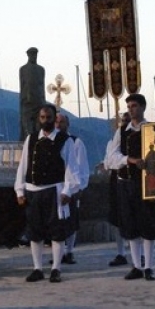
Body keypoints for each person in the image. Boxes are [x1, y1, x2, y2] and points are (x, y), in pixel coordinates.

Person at [14, 104, 80, 283]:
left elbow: (71, 168)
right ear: (39, 119)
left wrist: (68, 190)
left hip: (54, 191)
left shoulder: (64, 140)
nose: (45, 121)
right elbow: (23, 166)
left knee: (56, 232)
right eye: (42, 118)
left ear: (54, 118)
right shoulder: (31, 139)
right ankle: (37, 268)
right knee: (35, 232)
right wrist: (19, 190)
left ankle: (56, 269)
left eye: (49, 118)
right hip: (33, 191)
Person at [104, 93, 155, 281]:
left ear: (143, 107)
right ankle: (136, 265)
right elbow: (111, 159)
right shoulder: (122, 132)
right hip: (126, 183)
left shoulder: (152, 130)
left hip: (146, 184)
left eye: (134, 106)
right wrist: (128, 160)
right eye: (129, 106)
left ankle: (149, 266)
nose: (131, 109)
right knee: (130, 226)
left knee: (147, 225)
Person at [56, 111, 89, 264]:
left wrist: (80, 187)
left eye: (61, 122)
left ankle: (69, 251)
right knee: (57, 220)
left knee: (71, 220)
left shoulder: (76, 142)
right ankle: (59, 253)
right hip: (55, 186)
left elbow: (82, 167)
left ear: (67, 124)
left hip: (72, 186)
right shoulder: (51, 142)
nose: (58, 124)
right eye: (56, 121)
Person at [105, 111, 131, 267]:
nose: (125, 122)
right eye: (123, 120)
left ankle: (140, 254)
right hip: (117, 177)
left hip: (134, 177)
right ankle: (121, 252)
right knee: (117, 218)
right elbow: (109, 162)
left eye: (127, 120)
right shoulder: (113, 140)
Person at [18, 47, 46, 139]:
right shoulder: (23, 69)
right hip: (27, 102)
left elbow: (41, 86)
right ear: (28, 55)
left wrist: (43, 101)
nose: (34, 56)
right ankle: (27, 141)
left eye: (35, 54)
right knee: (27, 125)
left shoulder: (41, 69)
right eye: (32, 54)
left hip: (39, 101)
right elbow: (23, 85)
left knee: (39, 125)